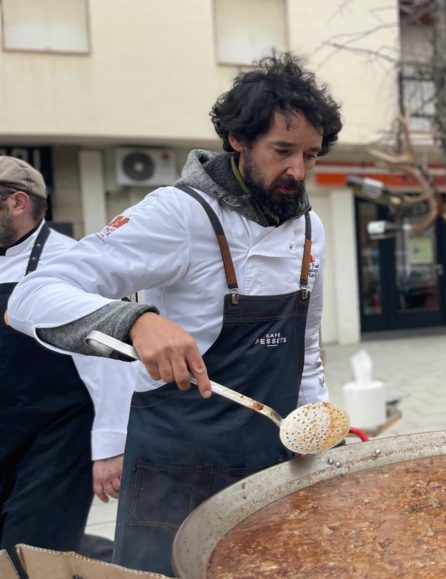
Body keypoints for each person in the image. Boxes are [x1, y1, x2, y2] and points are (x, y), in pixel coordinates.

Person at [7, 53, 342, 575]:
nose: (297, 171)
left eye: (310, 155)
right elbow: (33, 293)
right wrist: (134, 321)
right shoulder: (179, 214)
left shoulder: (309, 229)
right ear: (238, 139)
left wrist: (317, 427)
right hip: (176, 475)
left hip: (271, 465)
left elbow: (307, 350)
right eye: (282, 150)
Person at [0, 157, 132, 577]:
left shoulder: (69, 263)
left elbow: (107, 361)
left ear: (18, 202)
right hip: (5, 426)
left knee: (28, 549)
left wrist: (110, 448)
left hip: (58, 435)